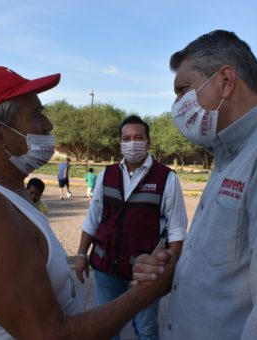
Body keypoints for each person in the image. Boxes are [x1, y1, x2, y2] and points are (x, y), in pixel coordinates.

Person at [0, 66, 174, 339]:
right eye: (36, 115)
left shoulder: (0, 192)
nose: (48, 125)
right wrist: (145, 292)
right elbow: (50, 335)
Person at [132, 30, 257, 339]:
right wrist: (178, 267)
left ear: (225, 81)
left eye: (183, 89)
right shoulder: (233, 154)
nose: (177, 105)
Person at [75, 115, 188, 340]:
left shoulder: (166, 178)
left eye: (138, 137)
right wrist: (81, 254)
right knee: (106, 328)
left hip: (144, 273)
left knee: (145, 329)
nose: (132, 143)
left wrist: (170, 264)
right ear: (120, 143)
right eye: (127, 138)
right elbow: (93, 218)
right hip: (106, 268)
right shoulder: (107, 174)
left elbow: (176, 228)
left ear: (148, 142)